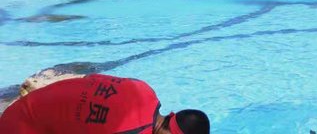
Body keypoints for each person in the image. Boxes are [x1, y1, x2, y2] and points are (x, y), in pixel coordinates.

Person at [0, 73, 210, 133]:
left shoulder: (143, 89)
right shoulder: (135, 131)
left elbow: (89, 79)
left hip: (28, 106)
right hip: (19, 128)